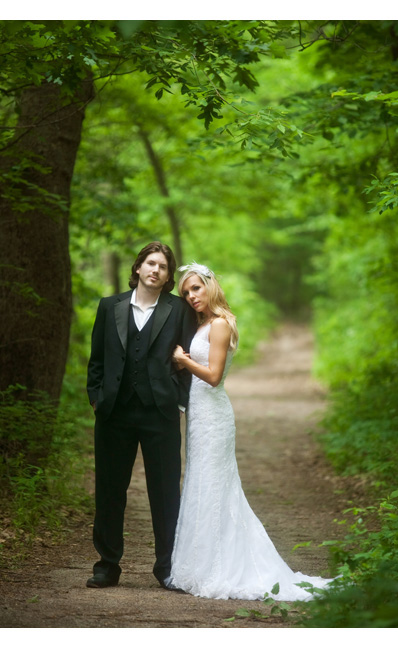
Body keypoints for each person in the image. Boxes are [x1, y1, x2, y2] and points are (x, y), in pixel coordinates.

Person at [166, 262, 335, 601]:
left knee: (215, 484)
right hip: (199, 415)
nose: (191, 296)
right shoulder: (204, 325)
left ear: (211, 286)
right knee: (200, 482)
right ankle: (199, 564)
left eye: (196, 288)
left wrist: (183, 361)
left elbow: (213, 376)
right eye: (186, 292)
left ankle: (222, 566)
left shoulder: (221, 325)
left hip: (214, 414)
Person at [86, 241, 197, 589]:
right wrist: (97, 398)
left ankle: (167, 568)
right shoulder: (110, 306)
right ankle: (107, 565)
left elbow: (189, 358)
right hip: (114, 413)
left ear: (167, 277)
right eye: (151, 263)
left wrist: (179, 401)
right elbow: (97, 360)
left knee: (165, 492)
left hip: (160, 413)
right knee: (109, 490)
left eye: (163, 267)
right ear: (138, 268)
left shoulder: (179, 310)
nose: (156, 270)